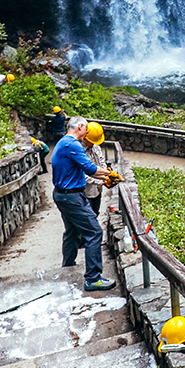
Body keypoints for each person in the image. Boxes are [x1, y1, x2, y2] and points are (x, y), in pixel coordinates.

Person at [51, 116, 117, 291]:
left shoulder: (63, 143)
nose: (86, 133)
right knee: (94, 232)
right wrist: (110, 175)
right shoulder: (72, 145)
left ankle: (68, 266)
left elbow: (91, 170)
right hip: (72, 197)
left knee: (72, 231)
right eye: (85, 130)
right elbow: (90, 169)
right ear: (80, 127)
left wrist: (105, 176)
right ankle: (93, 278)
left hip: (65, 195)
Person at [82, 121, 107, 215]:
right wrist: (100, 180)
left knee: (96, 211)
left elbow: (101, 160)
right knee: (88, 215)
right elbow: (82, 174)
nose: (94, 144)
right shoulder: (79, 151)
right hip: (86, 191)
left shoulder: (95, 147)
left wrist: (106, 174)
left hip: (97, 189)